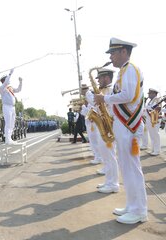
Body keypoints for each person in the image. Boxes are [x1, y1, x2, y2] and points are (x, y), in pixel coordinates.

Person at [94, 37, 147, 224]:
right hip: (124, 126)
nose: (111, 57)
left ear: (124, 51)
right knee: (127, 169)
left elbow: (128, 95)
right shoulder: (124, 71)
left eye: (113, 53)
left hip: (129, 126)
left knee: (132, 169)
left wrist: (104, 99)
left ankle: (139, 210)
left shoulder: (130, 69)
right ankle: (132, 205)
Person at [88, 67, 119, 193]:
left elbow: (112, 107)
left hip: (110, 125)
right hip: (103, 124)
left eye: (100, 78)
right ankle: (108, 181)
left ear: (106, 77)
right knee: (105, 156)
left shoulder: (113, 90)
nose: (99, 81)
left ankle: (113, 184)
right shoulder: (103, 90)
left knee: (110, 156)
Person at [0, 69, 22, 145]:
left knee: (12, 123)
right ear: (4, 80)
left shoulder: (10, 88)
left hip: (13, 107)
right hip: (6, 107)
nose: (8, 80)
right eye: (6, 79)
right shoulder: (2, 88)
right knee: (8, 123)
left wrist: (20, 82)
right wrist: (10, 74)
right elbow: (6, 83)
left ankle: (10, 138)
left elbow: (19, 90)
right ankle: (7, 139)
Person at [143, 88, 161, 155]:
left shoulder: (157, 100)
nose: (149, 95)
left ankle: (157, 150)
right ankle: (153, 149)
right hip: (149, 119)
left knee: (155, 134)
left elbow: (157, 109)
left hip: (154, 119)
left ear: (154, 93)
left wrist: (148, 108)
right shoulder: (150, 101)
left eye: (150, 93)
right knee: (152, 135)